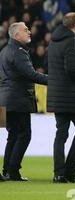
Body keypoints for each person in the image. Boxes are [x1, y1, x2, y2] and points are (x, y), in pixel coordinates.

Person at [47, 13, 75, 183]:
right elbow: (72, 69)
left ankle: (58, 173)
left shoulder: (53, 41)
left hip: (57, 95)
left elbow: (49, 63)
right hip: (71, 96)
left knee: (61, 134)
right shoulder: (72, 41)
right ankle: (70, 171)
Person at [0, 22, 48, 181]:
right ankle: (13, 171)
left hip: (5, 99)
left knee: (12, 135)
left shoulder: (4, 51)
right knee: (24, 135)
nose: (29, 32)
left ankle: (7, 170)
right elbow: (31, 74)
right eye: (25, 30)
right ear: (16, 35)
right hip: (18, 99)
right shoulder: (19, 52)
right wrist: (54, 80)